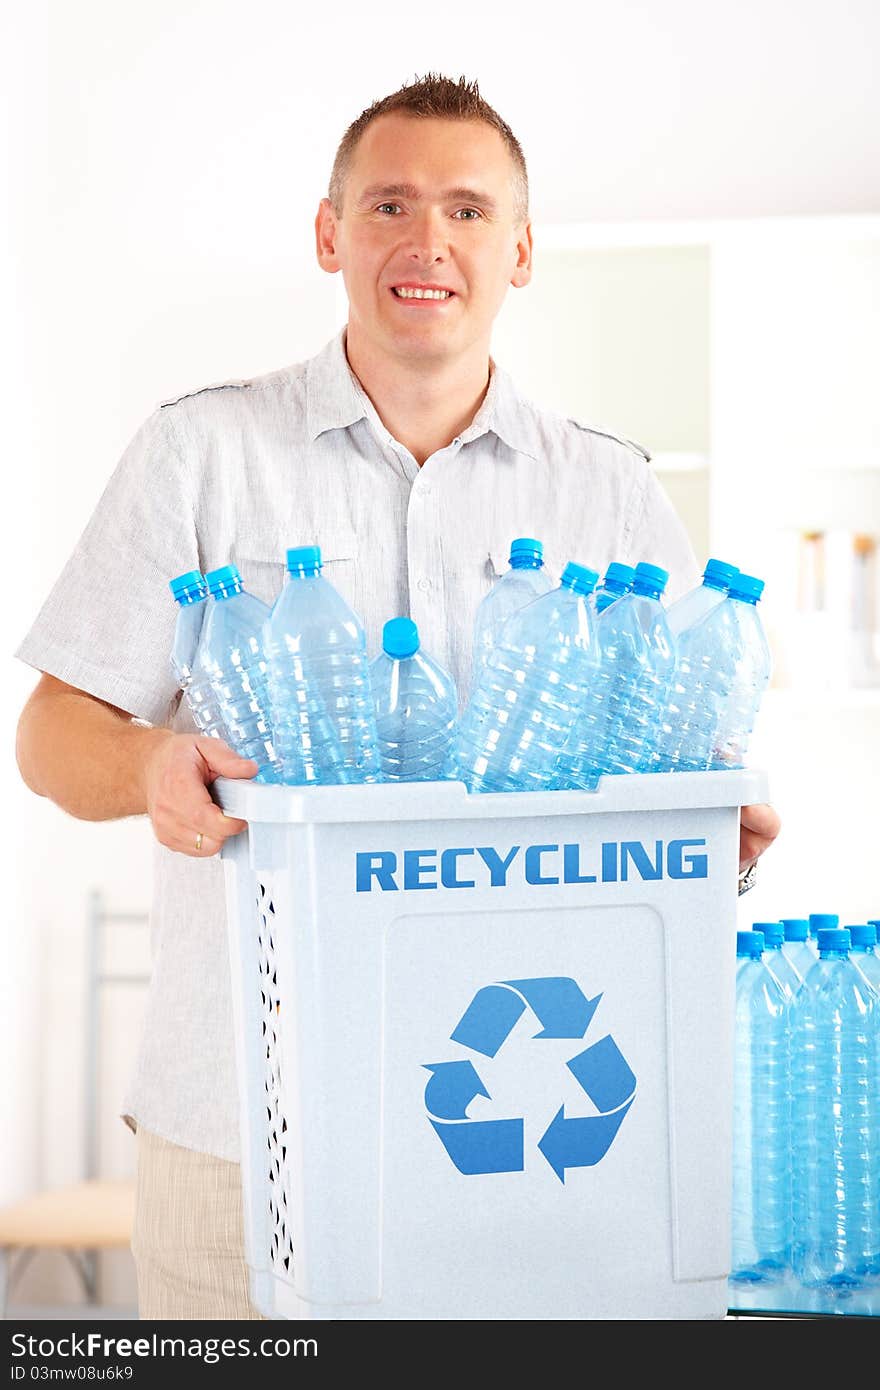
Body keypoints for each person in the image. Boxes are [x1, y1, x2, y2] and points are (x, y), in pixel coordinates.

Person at [14, 73, 781, 1320]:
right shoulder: (201, 450)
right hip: (237, 1131)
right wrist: (151, 767)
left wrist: (719, 834)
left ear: (520, 250)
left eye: (469, 211)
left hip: (540, 1130)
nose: (428, 242)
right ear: (330, 234)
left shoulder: (611, 492)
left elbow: (687, 761)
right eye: (389, 205)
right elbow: (50, 734)